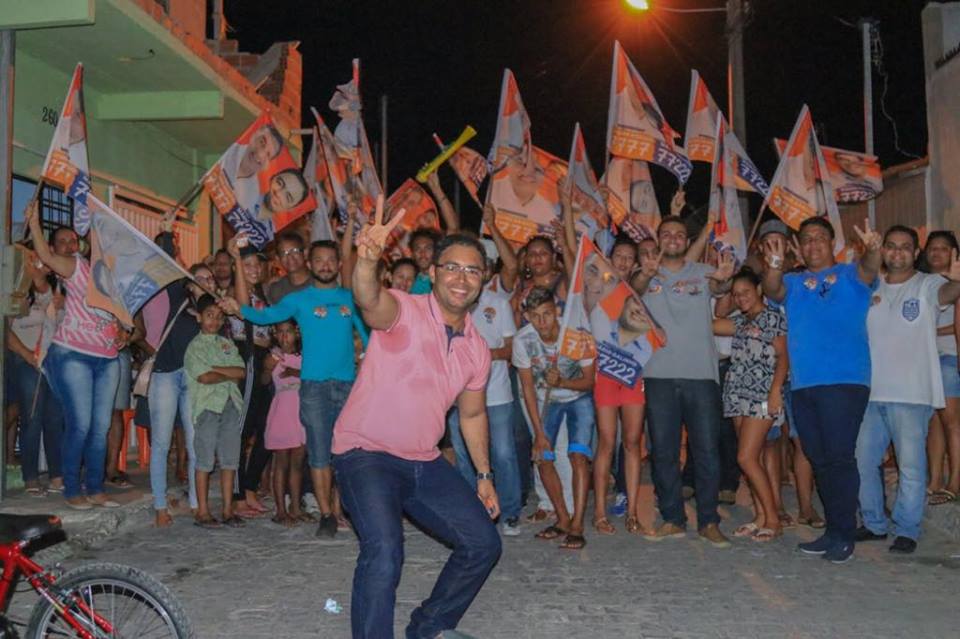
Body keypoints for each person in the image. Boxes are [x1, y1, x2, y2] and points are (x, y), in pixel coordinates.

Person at [332, 198, 501, 638]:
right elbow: (369, 302)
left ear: (482, 282)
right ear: (433, 273)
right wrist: (366, 262)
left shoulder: (476, 348)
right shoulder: (405, 310)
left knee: (483, 544)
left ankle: (428, 628)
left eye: (472, 271)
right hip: (365, 453)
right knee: (385, 550)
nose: (461, 278)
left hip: (423, 462)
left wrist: (483, 475)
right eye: (451, 267)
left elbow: (473, 412)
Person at [221, 240, 368, 539]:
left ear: (339, 265)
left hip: (347, 386)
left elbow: (367, 338)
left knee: (347, 453)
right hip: (312, 387)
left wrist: (369, 365)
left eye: (331, 260)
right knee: (318, 453)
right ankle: (326, 514)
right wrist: (239, 304)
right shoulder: (299, 300)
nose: (326, 265)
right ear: (310, 265)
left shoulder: (349, 298)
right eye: (320, 260)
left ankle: (345, 510)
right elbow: (261, 316)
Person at [762, 216, 881, 563]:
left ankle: (844, 535)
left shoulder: (850, 275)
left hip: (844, 383)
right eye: (807, 240)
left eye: (820, 239)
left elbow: (870, 269)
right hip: (804, 385)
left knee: (839, 458)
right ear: (798, 247)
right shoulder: (794, 282)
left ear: (833, 243)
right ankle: (832, 530)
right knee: (819, 459)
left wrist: (873, 250)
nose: (814, 245)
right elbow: (771, 289)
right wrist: (773, 261)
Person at [855, 226, 960, 554]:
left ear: (916, 253)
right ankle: (873, 523)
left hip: (912, 395)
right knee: (862, 460)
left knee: (911, 466)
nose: (897, 253)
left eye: (905, 248)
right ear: (883, 250)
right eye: (891, 246)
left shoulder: (928, 285)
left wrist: (957, 279)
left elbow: (949, 294)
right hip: (871, 394)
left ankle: (907, 529)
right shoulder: (871, 287)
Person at [633, 215, 734, 547]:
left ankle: (708, 520)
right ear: (658, 239)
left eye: (680, 234)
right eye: (667, 234)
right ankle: (673, 518)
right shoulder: (646, 272)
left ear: (687, 241)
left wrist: (723, 280)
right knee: (663, 452)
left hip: (702, 376)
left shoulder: (702, 272)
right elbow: (630, 293)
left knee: (706, 450)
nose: (673, 239)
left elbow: (720, 287)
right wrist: (644, 276)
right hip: (659, 375)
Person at [27, 207, 121, 510]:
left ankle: (95, 487)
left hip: (108, 358)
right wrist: (34, 223)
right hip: (74, 355)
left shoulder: (116, 277)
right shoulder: (77, 267)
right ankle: (71, 487)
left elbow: (127, 321)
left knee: (100, 426)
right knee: (80, 424)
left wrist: (124, 334)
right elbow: (45, 253)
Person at [448, 246, 522, 536]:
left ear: (486, 273)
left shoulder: (499, 304)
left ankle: (511, 511)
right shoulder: (452, 304)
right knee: (465, 456)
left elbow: (510, 349)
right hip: (457, 395)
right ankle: (472, 513)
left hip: (496, 394)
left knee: (503, 454)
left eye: (476, 270)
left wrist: (478, 356)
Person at [514, 287, 596, 550]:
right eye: (535, 316)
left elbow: (589, 382)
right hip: (547, 401)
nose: (542, 322)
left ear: (556, 311)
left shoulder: (576, 336)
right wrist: (538, 433)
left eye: (547, 314)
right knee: (543, 457)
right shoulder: (522, 340)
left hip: (577, 399)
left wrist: (562, 380)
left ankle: (577, 524)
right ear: (527, 316)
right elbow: (527, 388)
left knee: (577, 455)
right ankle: (562, 518)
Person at [714, 269, 788, 542]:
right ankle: (759, 516)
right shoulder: (740, 321)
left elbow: (783, 357)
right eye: (737, 294)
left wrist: (776, 392)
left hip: (762, 395)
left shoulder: (772, 317)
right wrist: (720, 291)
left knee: (744, 457)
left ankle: (773, 519)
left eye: (745, 292)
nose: (741, 297)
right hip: (737, 394)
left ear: (759, 289)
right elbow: (711, 323)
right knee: (751, 459)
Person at [184, 294, 246, 529]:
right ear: (199, 317)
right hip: (208, 406)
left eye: (220, 317)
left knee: (230, 459)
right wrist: (224, 373)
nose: (214, 321)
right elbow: (204, 377)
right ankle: (202, 511)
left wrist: (217, 370)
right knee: (205, 460)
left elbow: (241, 372)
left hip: (231, 404)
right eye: (209, 315)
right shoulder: (194, 347)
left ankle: (228, 510)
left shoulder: (226, 343)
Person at [6, 248, 63, 494]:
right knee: (32, 417)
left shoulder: (58, 291)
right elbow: (5, 332)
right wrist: (28, 356)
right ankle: (30, 476)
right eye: (31, 258)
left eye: (38, 258)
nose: (37, 262)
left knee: (55, 419)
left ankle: (57, 476)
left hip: (52, 362)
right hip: (26, 359)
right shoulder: (15, 292)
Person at [921, 231, 960, 505]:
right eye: (932, 248)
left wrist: (927, 329)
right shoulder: (923, 283)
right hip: (926, 359)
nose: (936, 253)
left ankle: (954, 481)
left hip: (949, 357)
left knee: (951, 422)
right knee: (933, 422)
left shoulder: (956, 283)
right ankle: (934, 480)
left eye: (943, 249)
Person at [263, 320, 308, 527]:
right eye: (280, 332)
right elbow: (263, 381)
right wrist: (267, 368)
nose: (284, 337)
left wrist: (294, 372)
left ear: (296, 333)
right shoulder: (273, 356)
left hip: (300, 412)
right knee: (281, 463)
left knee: (297, 463)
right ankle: (280, 510)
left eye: (288, 332)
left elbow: (314, 377)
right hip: (282, 411)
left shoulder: (304, 356)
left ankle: (296, 508)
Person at [266, 232, 313, 305]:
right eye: (284, 253)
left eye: (294, 251)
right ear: (278, 259)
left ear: (305, 253)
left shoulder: (322, 281)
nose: (290, 257)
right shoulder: (276, 290)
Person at [409, 228, 441, 294]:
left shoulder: (442, 279)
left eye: (428, 248)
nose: (422, 253)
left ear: (436, 251)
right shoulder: (408, 281)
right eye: (417, 249)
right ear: (412, 254)